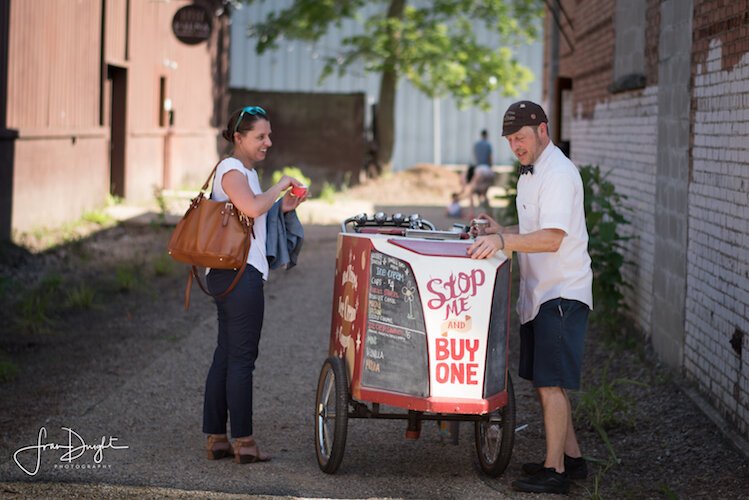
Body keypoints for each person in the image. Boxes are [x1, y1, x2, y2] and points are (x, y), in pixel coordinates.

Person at [467, 101, 593, 495]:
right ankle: (572, 461)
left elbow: (552, 238)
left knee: (552, 384)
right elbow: (534, 229)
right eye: (509, 140)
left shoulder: (558, 173)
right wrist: (499, 228)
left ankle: (553, 471)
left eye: (520, 137)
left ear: (542, 129)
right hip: (540, 295)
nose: (514, 146)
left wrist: (503, 240)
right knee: (544, 382)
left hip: (562, 293)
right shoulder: (530, 175)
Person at [203, 105, 306, 464]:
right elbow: (249, 208)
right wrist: (280, 185)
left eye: (269, 135)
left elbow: (255, 216)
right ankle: (244, 443)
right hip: (238, 273)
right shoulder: (232, 170)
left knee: (226, 355)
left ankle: (217, 438)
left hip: (229, 273)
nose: (268, 142)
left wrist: (285, 206)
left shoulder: (242, 172)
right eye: (260, 136)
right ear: (238, 138)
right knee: (242, 359)